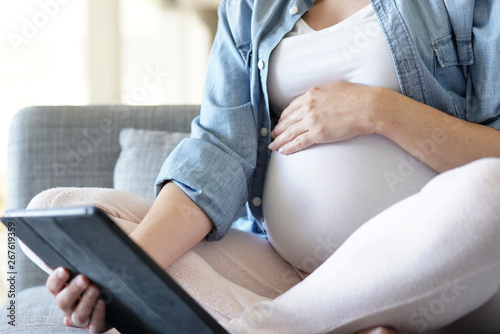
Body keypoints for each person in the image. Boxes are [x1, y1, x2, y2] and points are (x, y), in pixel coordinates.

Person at [25, 0, 500, 333]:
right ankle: (332, 321)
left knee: (491, 191)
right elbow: (218, 151)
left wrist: (377, 111)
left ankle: (264, 327)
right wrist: (120, 277)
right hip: (283, 270)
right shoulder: (253, 6)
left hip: (434, 274)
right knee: (58, 209)